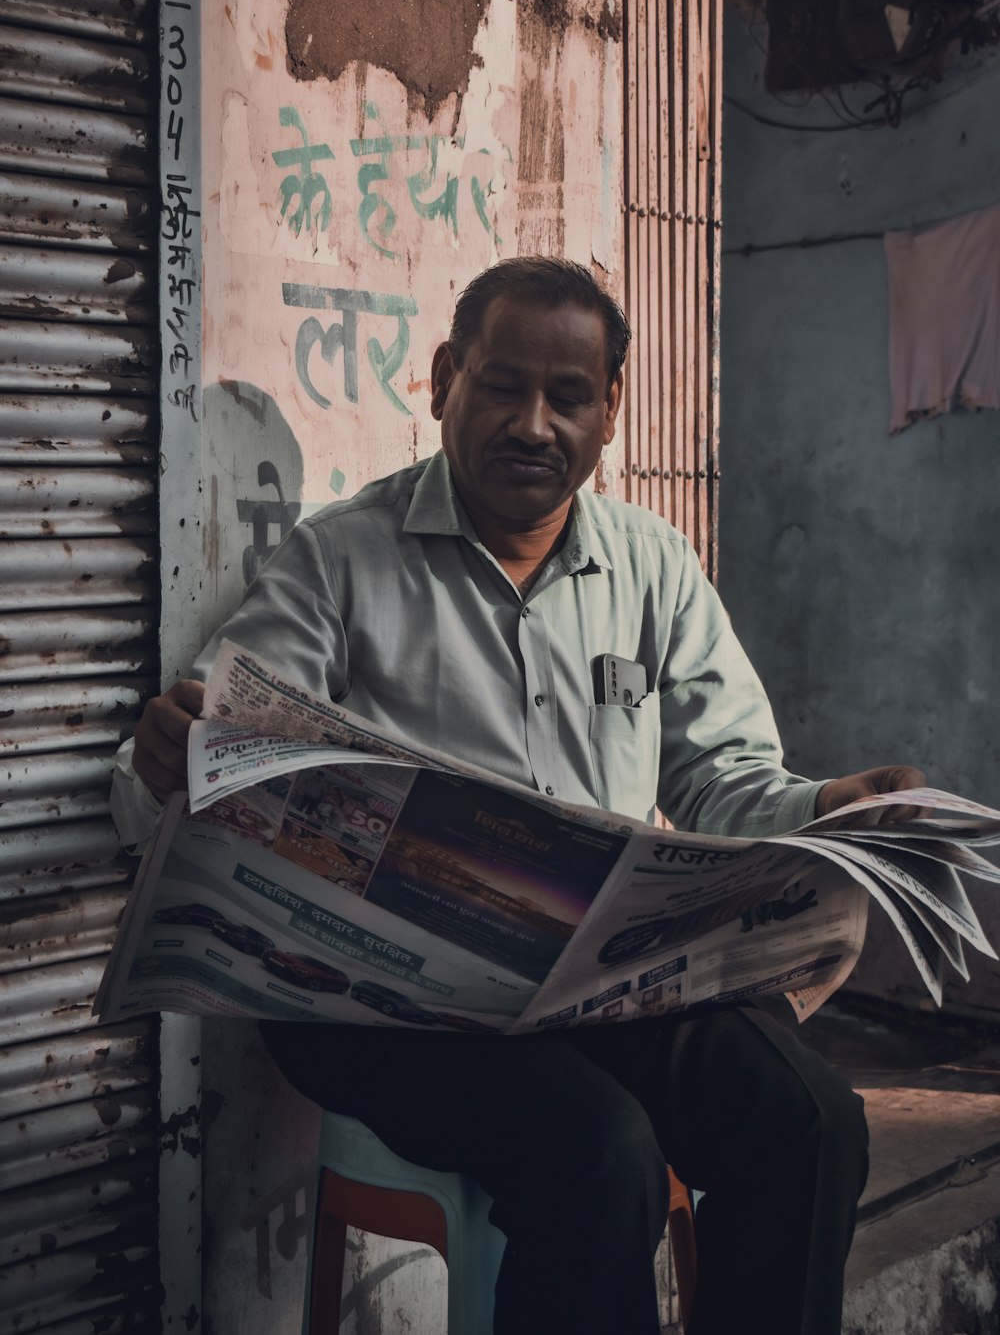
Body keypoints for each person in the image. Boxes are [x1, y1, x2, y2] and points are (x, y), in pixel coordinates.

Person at [113, 256, 923, 1335]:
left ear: (609, 412)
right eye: (501, 386)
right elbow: (211, 753)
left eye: (568, 397)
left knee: (809, 1117)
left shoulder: (655, 567)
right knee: (599, 1152)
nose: (533, 424)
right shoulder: (340, 563)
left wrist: (823, 809)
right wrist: (163, 766)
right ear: (445, 377)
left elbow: (722, 778)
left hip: (598, 982)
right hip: (384, 1006)